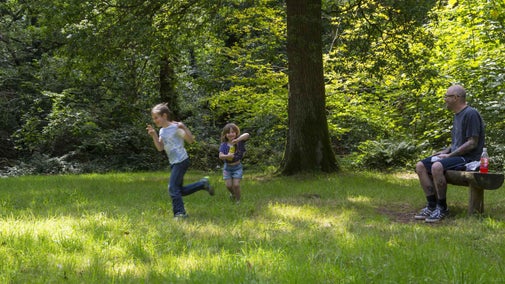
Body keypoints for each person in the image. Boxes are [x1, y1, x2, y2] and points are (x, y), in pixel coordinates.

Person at [415, 85, 485, 222]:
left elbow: (472, 143)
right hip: (456, 155)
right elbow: (456, 143)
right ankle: (431, 205)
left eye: (447, 96)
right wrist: (445, 151)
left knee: (437, 166)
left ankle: (442, 208)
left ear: (456, 98)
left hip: (468, 158)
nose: (445, 99)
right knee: (420, 165)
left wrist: (449, 156)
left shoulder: (471, 114)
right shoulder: (457, 116)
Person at [147, 103, 214, 219]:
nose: (155, 120)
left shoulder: (176, 128)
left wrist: (184, 127)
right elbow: (160, 148)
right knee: (179, 190)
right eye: (153, 118)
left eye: (156, 117)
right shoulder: (162, 131)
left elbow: (190, 140)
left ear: (164, 115)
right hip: (174, 162)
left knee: (172, 188)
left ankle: (180, 213)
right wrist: (154, 135)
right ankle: (202, 184)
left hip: (181, 160)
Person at [219, 123, 250, 203]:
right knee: (228, 186)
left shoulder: (240, 142)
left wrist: (237, 140)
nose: (231, 134)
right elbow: (220, 156)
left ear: (236, 132)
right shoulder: (224, 145)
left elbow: (247, 134)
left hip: (237, 167)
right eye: (228, 132)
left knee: (236, 185)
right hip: (227, 168)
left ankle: (238, 200)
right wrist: (227, 156)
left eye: (233, 132)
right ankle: (233, 194)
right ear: (225, 134)